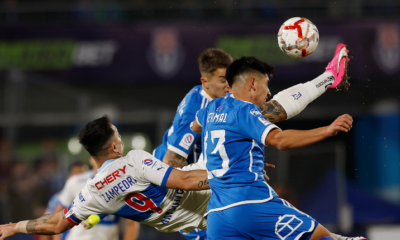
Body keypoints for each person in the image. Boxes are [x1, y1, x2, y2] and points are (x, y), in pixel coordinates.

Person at [155, 46, 350, 240]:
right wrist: (327, 130)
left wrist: (236, 155)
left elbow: (198, 125)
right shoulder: (201, 105)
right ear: (205, 83)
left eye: (229, 79)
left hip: (218, 211)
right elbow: (172, 168)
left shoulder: (211, 108)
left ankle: (329, 78)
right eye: (222, 80)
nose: (227, 85)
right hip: (207, 200)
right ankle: (329, 78)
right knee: (324, 237)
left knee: (266, 112)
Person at [0, 116, 211, 240]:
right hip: (215, 193)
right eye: (118, 135)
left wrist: (14, 227)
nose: (121, 140)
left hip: (199, 220)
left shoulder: (93, 192)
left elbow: (56, 223)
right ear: (114, 147)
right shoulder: (134, 161)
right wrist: (231, 176)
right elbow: (186, 181)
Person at [52, 157, 140, 240]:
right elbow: (58, 212)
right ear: (91, 159)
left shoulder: (125, 186)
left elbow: (132, 224)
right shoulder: (76, 181)